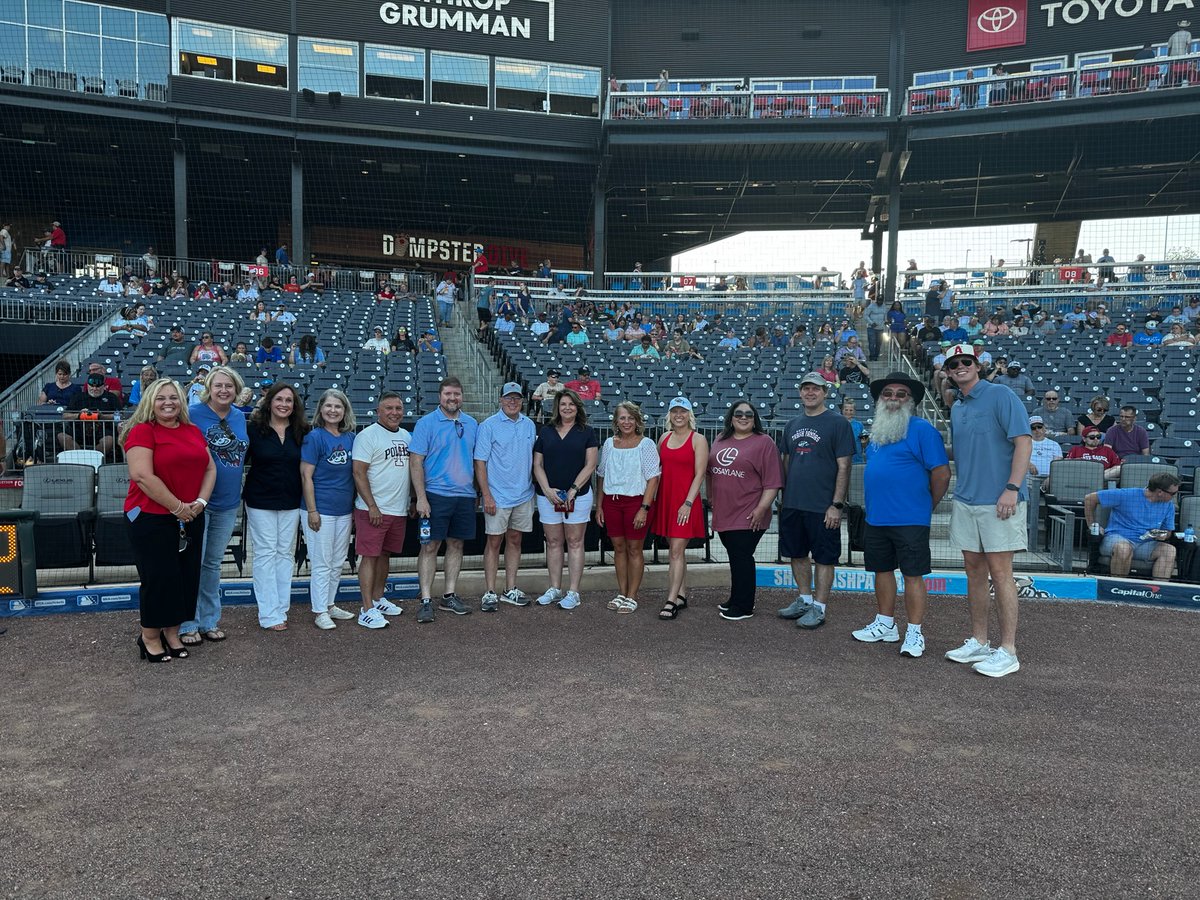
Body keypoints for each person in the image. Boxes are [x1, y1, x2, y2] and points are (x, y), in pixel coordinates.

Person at [942, 342, 1032, 679]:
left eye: (966, 361)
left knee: (1001, 572)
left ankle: (1008, 650)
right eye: (954, 364)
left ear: (978, 365)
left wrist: (1012, 488)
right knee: (974, 571)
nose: (960, 367)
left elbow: (1024, 441)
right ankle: (980, 641)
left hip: (999, 499)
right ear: (948, 372)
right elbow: (963, 450)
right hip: (966, 499)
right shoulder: (957, 406)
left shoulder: (1001, 395)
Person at [851, 372, 950, 658]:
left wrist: (926, 505)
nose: (893, 398)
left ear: (911, 400)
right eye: (888, 393)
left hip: (911, 518)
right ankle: (885, 624)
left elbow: (942, 474)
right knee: (881, 570)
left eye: (900, 394)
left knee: (912, 575)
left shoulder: (923, 430)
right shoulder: (878, 432)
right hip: (877, 517)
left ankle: (915, 632)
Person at [121, 378, 215, 663]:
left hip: (191, 516)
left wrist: (200, 503)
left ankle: (172, 633)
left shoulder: (192, 430)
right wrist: (177, 507)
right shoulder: (142, 430)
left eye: (173, 397)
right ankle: (149, 637)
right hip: (151, 517)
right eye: (161, 398)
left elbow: (210, 468)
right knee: (159, 579)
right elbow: (141, 475)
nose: (168, 403)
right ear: (150, 401)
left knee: (185, 579)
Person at [775, 374, 854, 629]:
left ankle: (819, 607)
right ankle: (804, 599)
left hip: (823, 506)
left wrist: (837, 504)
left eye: (816, 389)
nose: (810, 393)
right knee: (797, 554)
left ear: (825, 393)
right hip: (794, 504)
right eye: (806, 388)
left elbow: (844, 466)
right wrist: (784, 497)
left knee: (824, 558)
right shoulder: (792, 424)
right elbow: (786, 462)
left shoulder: (838, 423)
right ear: (800, 392)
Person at [178, 366, 249, 646]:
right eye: (218, 385)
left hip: (228, 503)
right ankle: (187, 622)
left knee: (212, 564)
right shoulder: (192, 413)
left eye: (229, 386)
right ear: (209, 388)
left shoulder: (239, 417)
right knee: (192, 562)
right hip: (198, 502)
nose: (223, 390)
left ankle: (209, 621)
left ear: (236, 389)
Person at [410, 377, 479, 623]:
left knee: (457, 544)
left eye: (457, 394)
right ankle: (426, 600)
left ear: (462, 397)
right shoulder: (426, 423)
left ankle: (449, 595)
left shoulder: (472, 423)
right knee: (429, 546)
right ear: (440, 396)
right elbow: (415, 462)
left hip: (464, 496)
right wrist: (421, 497)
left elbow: (476, 461)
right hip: (435, 495)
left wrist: (477, 492)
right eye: (448, 394)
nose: (453, 398)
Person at [707, 401, 782, 621]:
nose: (743, 417)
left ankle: (744, 606)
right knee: (734, 555)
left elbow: (773, 482)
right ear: (731, 418)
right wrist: (711, 497)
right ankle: (736, 598)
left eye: (748, 414)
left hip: (749, 512)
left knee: (742, 555)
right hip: (724, 510)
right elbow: (710, 472)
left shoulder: (764, 442)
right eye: (738, 413)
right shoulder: (721, 438)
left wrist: (762, 508)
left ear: (754, 419)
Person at [243, 383, 307, 631]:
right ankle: (268, 613)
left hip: (291, 500)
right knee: (266, 553)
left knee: (285, 554)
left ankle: (281, 608)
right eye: (279, 399)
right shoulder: (253, 429)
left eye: (289, 400)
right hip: (260, 500)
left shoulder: (302, 431)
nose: (284, 404)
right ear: (269, 402)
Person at [295, 389, 358, 631]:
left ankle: (330, 604)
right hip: (320, 509)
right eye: (328, 406)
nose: (333, 410)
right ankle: (319, 610)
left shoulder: (351, 438)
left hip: (344, 510)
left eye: (338, 406)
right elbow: (306, 476)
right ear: (321, 409)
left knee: (337, 561)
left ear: (345, 410)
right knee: (322, 562)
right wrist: (312, 510)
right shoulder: (314, 437)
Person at [532, 389, 599, 610]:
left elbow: (591, 464)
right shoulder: (546, 431)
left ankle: (573, 592)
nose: (567, 408)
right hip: (548, 497)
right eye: (563, 404)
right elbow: (537, 464)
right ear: (557, 408)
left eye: (571, 404)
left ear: (577, 407)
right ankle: (554, 588)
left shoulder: (587, 432)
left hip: (578, 496)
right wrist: (547, 490)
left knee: (575, 541)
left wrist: (573, 489)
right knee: (553, 542)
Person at [351, 392, 412, 629]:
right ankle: (366, 609)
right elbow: (358, 473)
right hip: (373, 510)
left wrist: (413, 500)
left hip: (398, 509)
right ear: (378, 411)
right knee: (369, 556)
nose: (394, 413)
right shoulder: (367, 436)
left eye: (398, 408)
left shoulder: (406, 436)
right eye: (389, 408)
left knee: (385, 555)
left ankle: (378, 599)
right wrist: (372, 506)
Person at [474, 383, 538, 611]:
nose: (513, 402)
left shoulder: (529, 424)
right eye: (509, 398)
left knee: (515, 540)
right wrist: (486, 495)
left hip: (523, 495)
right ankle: (490, 592)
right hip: (497, 496)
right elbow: (480, 462)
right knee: (493, 542)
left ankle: (510, 588)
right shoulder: (488, 425)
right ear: (500, 399)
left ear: (522, 401)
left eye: (517, 398)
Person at [595, 402, 661, 614]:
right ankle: (622, 593)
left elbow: (653, 479)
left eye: (631, 418)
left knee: (634, 548)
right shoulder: (608, 444)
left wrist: (644, 508)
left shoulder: (646, 444)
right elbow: (601, 475)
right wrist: (599, 506)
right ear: (616, 421)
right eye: (622, 418)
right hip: (612, 502)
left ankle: (632, 595)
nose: (626, 422)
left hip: (636, 502)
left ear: (637, 420)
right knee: (618, 547)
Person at [652, 397, 709, 621]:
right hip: (666, 500)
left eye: (683, 411)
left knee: (675, 551)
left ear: (689, 415)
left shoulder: (698, 439)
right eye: (674, 411)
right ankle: (682, 595)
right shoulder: (664, 438)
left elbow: (700, 474)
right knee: (676, 550)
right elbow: (657, 469)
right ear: (669, 414)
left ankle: (671, 600)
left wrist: (687, 503)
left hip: (685, 502)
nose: (679, 415)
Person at [1084, 473, 1181, 579]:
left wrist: (1163, 535)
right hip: (1117, 539)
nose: (1174, 496)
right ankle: (1118, 586)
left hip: (1146, 544)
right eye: (1173, 493)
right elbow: (1089, 499)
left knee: (1169, 551)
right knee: (1124, 548)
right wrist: (1092, 525)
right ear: (1160, 492)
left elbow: (1168, 531)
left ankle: (1158, 588)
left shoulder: (1169, 506)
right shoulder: (1126, 495)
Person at [60, 373, 122, 459]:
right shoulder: (78, 397)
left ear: (103, 386)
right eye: (91, 386)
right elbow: (65, 416)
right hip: (79, 429)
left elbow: (120, 416)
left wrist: (102, 416)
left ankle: (93, 458)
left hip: (103, 430)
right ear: (87, 385)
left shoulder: (111, 397)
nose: (94, 389)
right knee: (62, 436)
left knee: (108, 440)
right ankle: (80, 458)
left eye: (97, 387)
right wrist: (79, 415)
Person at [862, 295, 886, 361]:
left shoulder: (884, 306)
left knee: (879, 343)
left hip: (880, 328)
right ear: (876, 300)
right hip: (871, 327)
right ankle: (872, 356)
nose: (880, 301)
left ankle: (876, 356)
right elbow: (865, 315)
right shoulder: (871, 306)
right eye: (878, 300)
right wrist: (871, 323)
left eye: (881, 300)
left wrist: (885, 321)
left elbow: (885, 315)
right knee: (872, 342)